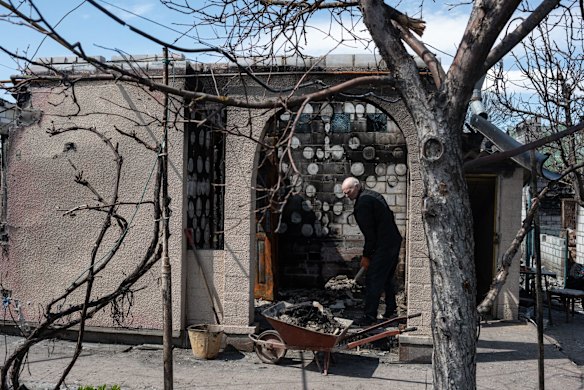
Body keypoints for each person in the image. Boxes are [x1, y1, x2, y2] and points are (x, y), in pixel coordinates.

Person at [341, 177, 402, 326]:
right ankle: (391, 311)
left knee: (373, 279)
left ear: (356, 187)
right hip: (393, 241)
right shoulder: (373, 195)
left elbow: (370, 234)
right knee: (387, 277)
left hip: (384, 245)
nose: (345, 195)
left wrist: (367, 256)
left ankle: (369, 317)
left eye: (347, 192)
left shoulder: (363, 204)